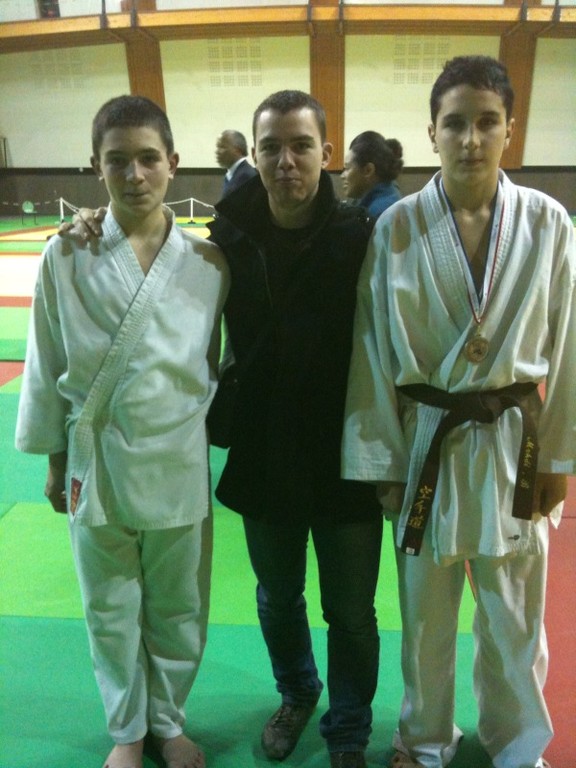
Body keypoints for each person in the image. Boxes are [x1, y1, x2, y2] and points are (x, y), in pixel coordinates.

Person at [56, 90, 383, 768]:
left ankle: (349, 726)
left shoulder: (362, 235)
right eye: (271, 147)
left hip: (346, 444)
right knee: (277, 597)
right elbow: (151, 255)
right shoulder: (228, 237)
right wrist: (94, 219)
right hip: (266, 443)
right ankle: (297, 694)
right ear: (252, 156)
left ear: (327, 153)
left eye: (301, 145)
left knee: (352, 610)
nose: (286, 160)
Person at [342, 55, 576, 768]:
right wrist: (381, 460)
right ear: (432, 133)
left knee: (516, 615)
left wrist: (559, 460)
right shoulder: (397, 228)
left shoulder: (549, 222)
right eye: (455, 123)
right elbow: (372, 348)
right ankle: (425, 738)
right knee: (425, 615)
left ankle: (518, 743)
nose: (470, 138)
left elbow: (569, 345)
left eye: (486, 122)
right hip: (428, 443)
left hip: (514, 444)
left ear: (510, 129)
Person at [16, 95, 229, 768]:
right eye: (117, 161)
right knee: (108, 605)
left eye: (147, 159)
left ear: (173, 163)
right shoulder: (65, 254)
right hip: (97, 456)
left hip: (176, 456)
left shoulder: (209, 263)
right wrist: (54, 461)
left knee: (179, 605)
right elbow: (46, 360)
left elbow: (210, 365)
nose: (134, 175)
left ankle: (168, 722)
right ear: (94, 167)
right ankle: (128, 731)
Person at [341, 130, 403, 218]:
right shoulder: (383, 194)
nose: (342, 176)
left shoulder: (381, 213)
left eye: (347, 168)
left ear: (368, 170)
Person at [215, 128, 257, 197]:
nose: (217, 152)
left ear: (237, 150)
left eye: (222, 147)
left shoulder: (246, 176)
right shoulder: (231, 175)